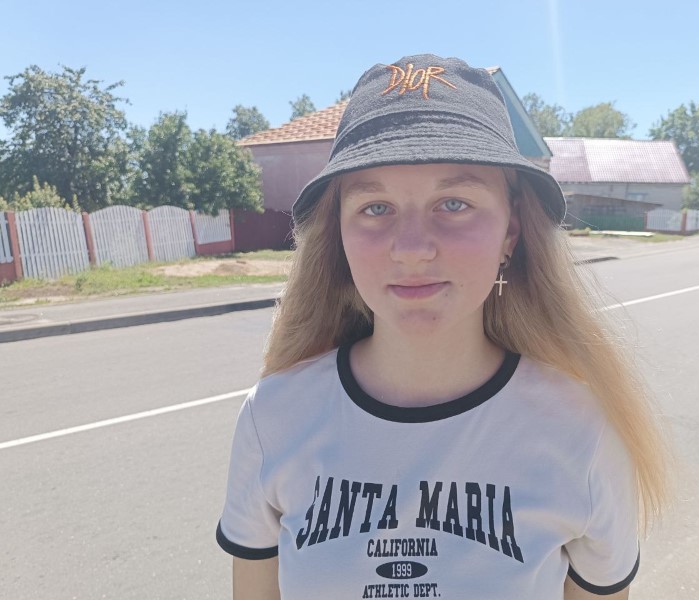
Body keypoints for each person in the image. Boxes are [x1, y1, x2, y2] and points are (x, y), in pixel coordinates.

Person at [216, 54, 669, 600]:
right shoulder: (272, 417)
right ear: (338, 234)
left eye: (454, 203)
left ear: (510, 232)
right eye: (375, 207)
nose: (412, 249)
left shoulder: (583, 431)